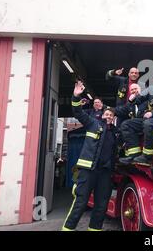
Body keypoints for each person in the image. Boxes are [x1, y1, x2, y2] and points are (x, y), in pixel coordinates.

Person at [62, 81, 122, 231]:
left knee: (101, 205)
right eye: (106, 114)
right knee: (81, 203)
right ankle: (67, 229)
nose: (108, 116)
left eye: (111, 115)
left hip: (105, 173)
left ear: (113, 118)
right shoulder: (93, 123)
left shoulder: (116, 133)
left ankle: (94, 229)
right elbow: (78, 113)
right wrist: (76, 97)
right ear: (102, 115)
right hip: (89, 170)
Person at [119, 70, 153, 165]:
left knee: (148, 123)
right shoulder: (151, 89)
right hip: (150, 120)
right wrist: (131, 99)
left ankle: (147, 156)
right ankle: (134, 155)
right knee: (126, 124)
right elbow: (139, 99)